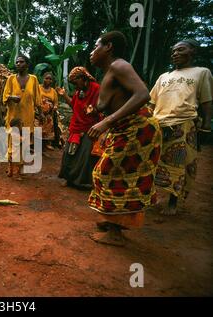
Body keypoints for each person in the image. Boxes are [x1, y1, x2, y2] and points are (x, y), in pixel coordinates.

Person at [87, 31, 162, 246]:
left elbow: (142, 94)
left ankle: (116, 231)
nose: (92, 52)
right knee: (113, 173)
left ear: (108, 47)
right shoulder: (111, 71)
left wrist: (107, 121)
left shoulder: (119, 65)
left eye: (96, 46)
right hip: (125, 129)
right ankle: (113, 220)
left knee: (109, 174)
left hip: (138, 129)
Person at [149, 39, 212, 215]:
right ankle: (150, 197)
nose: (175, 53)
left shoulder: (201, 73)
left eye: (181, 50)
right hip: (158, 124)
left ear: (192, 51)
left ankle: (172, 203)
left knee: (179, 164)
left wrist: (206, 125)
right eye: (173, 51)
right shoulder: (163, 76)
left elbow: (207, 101)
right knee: (151, 161)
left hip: (183, 123)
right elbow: (151, 102)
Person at [57, 67, 102, 189]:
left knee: (85, 156)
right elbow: (74, 106)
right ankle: (69, 179)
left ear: (83, 78)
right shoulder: (79, 92)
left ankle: (82, 182)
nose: (75, 87)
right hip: (76, 126)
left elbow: (102, 108)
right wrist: (64, 95)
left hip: (90, 127)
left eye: (75, 83)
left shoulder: (96, 89)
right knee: (69, 153)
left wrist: (94, 110)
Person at [2, 55, 41, 177]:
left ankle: (21, 166)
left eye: (21, 62)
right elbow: (4, 97)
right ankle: (10, 166)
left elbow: (37, 98)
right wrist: (12, 97)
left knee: (24, 142)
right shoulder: (11, 79)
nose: (18, 64)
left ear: (27, 64)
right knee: (12, 142)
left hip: (27, 116)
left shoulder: (33, 79)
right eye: (17, 62)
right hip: (13, 117)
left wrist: (41, 114)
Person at [38, 72, 59, 150]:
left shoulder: (53, 91)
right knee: (38, 127)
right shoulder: (38, 88)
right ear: (43, 79)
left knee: (48, 127)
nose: (48, 80)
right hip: (38, 112)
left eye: (50, 79)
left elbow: (56, 102)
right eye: (46, 78)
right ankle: (37, 144)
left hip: (49, 114)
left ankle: (46, 144)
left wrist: (55, 106)